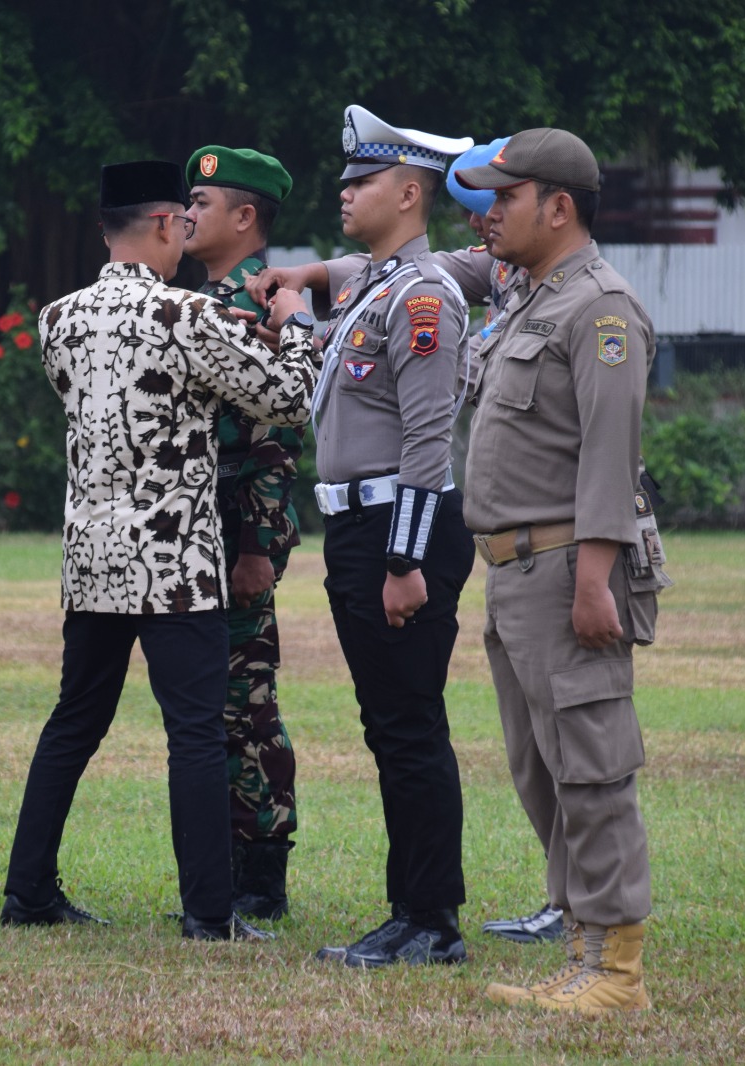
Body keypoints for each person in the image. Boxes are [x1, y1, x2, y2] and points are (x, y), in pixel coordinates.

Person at [0, 160, 316, 942]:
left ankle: (27, 891)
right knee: (196, 735)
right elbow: (289, 398)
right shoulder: (188, 314)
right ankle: (209, 913)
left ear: (105, 229)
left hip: (92, 560)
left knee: (73, 725)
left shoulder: (58, 319)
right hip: (174, 565)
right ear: (167, 224)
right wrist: (297, 324)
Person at [453, 127, 663, 1012]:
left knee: (591, 770)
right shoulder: (532, 300)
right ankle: (581, 951)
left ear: (559, 206)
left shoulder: (599, 309)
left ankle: (615, 974)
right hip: (516, 572)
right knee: (543, 773)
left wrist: (592, 581)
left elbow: (610, 457)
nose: (490, 212)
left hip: (569, 565)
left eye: (506, 197)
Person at [296, 105, 478, 968]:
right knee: (390, 726)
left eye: (362, 181)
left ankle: (430, 919)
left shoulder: (422, 296)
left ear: (409, 194)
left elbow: (426, 441)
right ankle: (410, 909)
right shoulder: (377, 285)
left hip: (400, 531)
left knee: (409, 728)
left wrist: (404, 559)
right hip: (358, 528)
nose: (345, 194)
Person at [182, 145, 303, 919]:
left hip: (238, 530)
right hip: (204, 525)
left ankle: (260, 873)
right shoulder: (205, 299)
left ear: (246, 216)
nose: (188, 213)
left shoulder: (257, 302)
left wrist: (256, 545)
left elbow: (274, 437)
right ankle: (227, 865)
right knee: (217, 698)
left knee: (245, 699)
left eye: (203, 202)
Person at [448, 137, 563, 948]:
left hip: (557, 552)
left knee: (569, 747)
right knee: (528, 753)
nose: (481, 223)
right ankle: (565, 896)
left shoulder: (576, 297)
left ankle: (583, 908)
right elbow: (411, 269)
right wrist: (315, 274)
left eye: (494, 205)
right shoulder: (507, 279)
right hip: (506, 555)